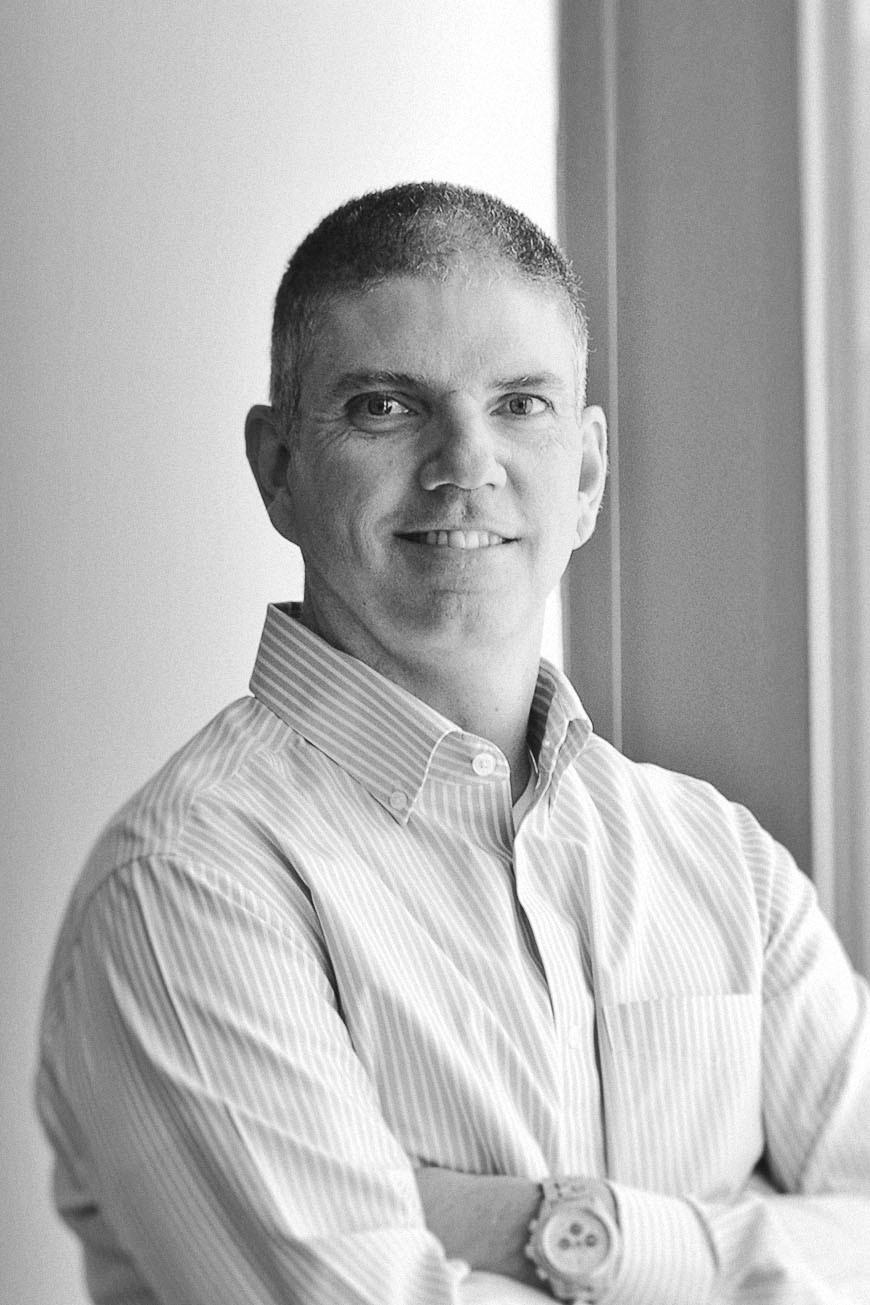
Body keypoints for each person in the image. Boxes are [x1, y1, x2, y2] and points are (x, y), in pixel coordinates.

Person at [36, 182, 870, 1305]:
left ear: (585, 472)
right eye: (386, 406)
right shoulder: (187, 883)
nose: (465, 462)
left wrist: (570, 1229)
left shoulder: (727, 864)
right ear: (279, 468)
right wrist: (770, 1240)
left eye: (520, 403)